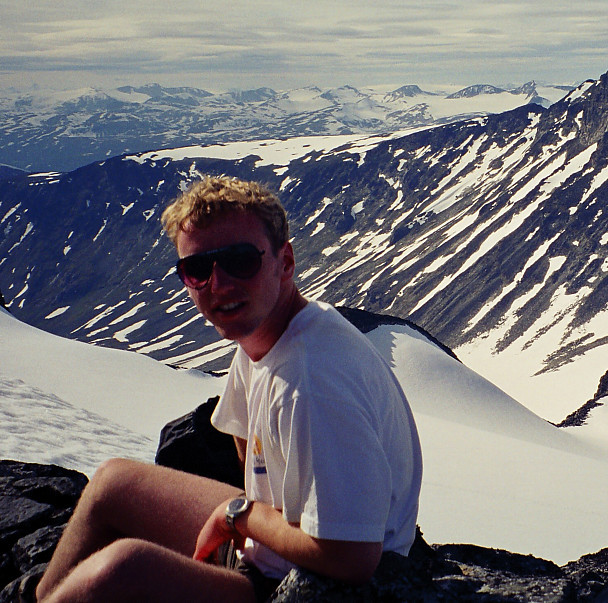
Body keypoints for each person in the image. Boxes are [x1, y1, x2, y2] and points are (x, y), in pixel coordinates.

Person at [35, 176, 422, 603]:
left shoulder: (310, 383)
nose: (218, 284)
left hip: (305, 584)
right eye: (197, 270)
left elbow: (351, 559)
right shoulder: (268, 336)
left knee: (120, 570)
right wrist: (250, 515)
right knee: (112, 483)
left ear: (285, 262)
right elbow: (244, 442)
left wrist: (240, 516)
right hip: (277, 545)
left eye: (240, 260)